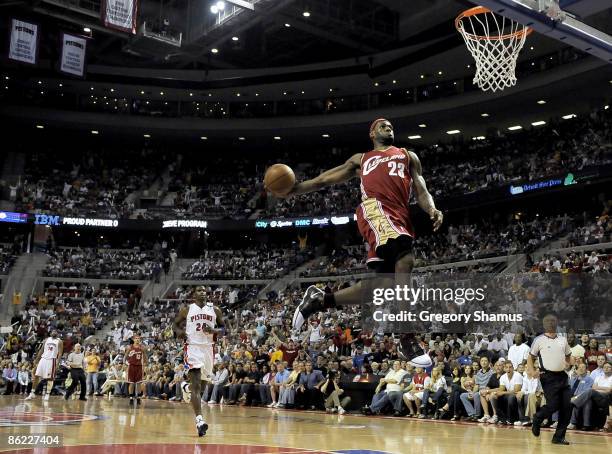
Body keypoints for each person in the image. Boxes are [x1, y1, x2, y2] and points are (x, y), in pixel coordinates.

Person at [285, 119, 443, 361]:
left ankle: (320, 300)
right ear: (372, 133)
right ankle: (407, 335)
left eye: (391, 125)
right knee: (406, 259)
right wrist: (295, 189)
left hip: (400, 215)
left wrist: (432, 209)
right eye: (382, 125)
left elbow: (421, 191)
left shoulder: (407, 155)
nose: (388, 127)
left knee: (384, 286)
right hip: (375, 209)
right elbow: (324, 180)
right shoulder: (362, 159)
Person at [173, 285, 225, 437]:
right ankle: (200, 421)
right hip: (193, 347)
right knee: (196, 385)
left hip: (209, 349)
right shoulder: (187, 310)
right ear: (194, 294)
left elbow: (223, 328)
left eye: (205, 291)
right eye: (199, 291)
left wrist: (214, 331)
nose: (203, 293)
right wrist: (180, 332)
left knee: (201, 388)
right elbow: (175, 324)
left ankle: (186, 389)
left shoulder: (215, 310)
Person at [527, 313, 573, 445]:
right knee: (553, 405)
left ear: (556, 323)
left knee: (567, 406)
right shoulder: (539, 340)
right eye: (548, 321)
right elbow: (531, 357)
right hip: (548, 377)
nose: (551, 323)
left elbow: (568, 356)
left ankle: (558, 437)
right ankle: (537, 418)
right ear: (544, 324)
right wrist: (531, 370)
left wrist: (571, 363)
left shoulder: (563, 340)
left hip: (563, 376)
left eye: (553, 321)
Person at [26, 329, 63, 401]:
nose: (54, 332)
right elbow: (41, 350)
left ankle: (47, 394)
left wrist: (57, 363)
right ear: (51, 333)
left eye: (55, 331)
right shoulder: (46, 340)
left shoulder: (59, 341)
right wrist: (36, 360)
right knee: (36, 375)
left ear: (57, 333)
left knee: (50, 378)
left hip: (52, 360)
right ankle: (32, 393)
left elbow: (60, 353)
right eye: (53, 331)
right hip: (43, 359)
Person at [126, 334, 147, 405]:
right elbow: (125, 356)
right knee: (131, 383)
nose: (137, 339)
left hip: (139, 366)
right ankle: (131, 398)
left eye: (138, 338)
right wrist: (125, 363)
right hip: (131, 366)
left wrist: (146, 363)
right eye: (136, 338)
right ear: (133, 339)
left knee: (138, 383)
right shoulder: (130, 347)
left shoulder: (142, 347)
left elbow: (145, 356)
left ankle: (138, 398)